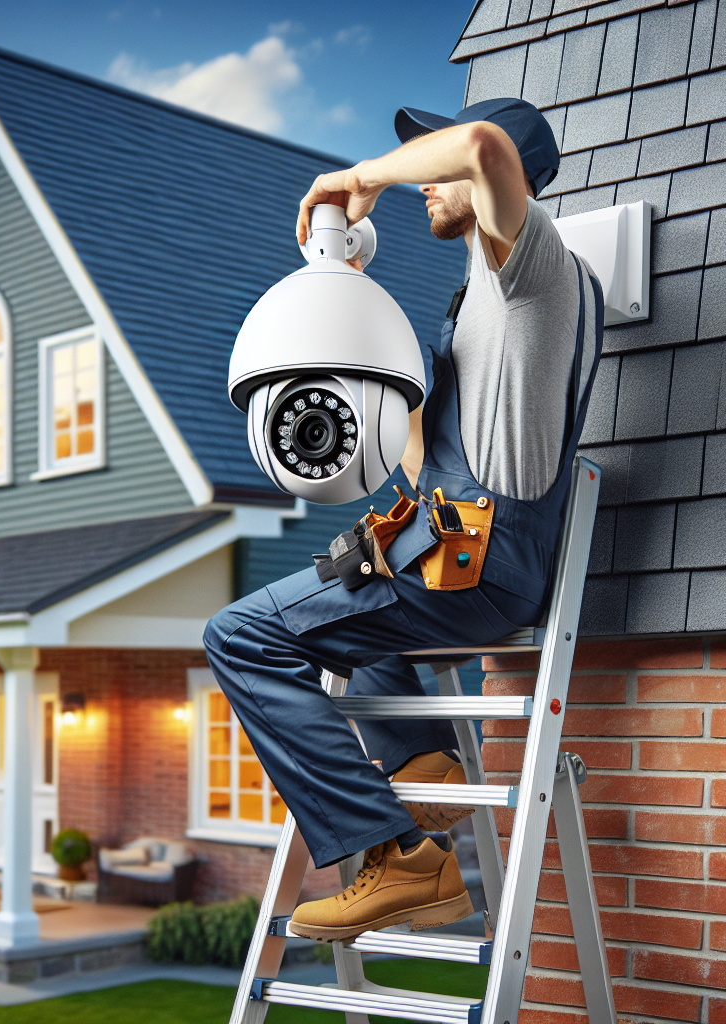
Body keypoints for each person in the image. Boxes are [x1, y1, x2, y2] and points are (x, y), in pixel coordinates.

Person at [203, 97, 603, 942]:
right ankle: (419, 763)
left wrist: (357, 178)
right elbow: (418, 464)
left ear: (498, 181)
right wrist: (340, 279)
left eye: (433, 165)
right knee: (353, 608)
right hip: (459, 559)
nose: (423, 179)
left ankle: (403, 860)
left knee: (240, 638)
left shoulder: (531, 269)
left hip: (476, 562)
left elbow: (486, 145)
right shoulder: (478, 311)